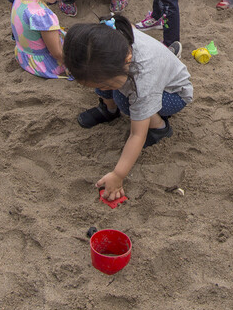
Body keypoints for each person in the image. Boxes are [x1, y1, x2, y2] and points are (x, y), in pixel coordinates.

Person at [64, 15, 193, 202]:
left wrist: (118, 175)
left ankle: (159, 128)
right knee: (108, 84)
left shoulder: (142, 79)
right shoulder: (108, 38)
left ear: (127, 60)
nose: (100, 88)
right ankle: (109, 111)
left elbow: (136, 135)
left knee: (125, 101)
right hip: (139, 73)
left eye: (104, 85)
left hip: (173, 94)